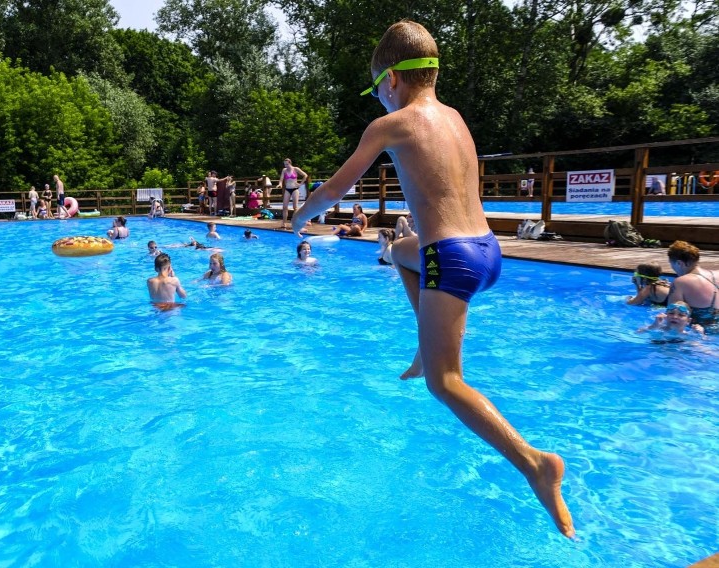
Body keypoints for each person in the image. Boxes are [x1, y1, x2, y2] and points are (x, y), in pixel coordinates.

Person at [290, 20, 574, 537]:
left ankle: (536, 464)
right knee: (399, 251)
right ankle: (425, 346)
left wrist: (298, 217)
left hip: (451, 257)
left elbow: (337, 187)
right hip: (487, 251)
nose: (378, 98)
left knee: (446, 384)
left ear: (392, 80)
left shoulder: (391, 124)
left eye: (376, 88)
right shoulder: (456, 119)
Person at [666, 240, 719, 332]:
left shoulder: (680, 282)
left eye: (672, 265)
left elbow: (672, 320)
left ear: (679, 263)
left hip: (701, 335)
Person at [637, 301, 704, 340]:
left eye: (681, 315)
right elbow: (637, 333)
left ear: (688, 321)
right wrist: (653, 326)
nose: (675, 317)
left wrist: (701, 335)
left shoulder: (688, 335)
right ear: (665, 316)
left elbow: (704, 350)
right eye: (671, 313)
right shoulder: (658, 329)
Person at [277, 158, 308, 229]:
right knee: (284, 207)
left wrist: (300, 184)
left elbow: (305, 175)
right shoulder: (284, 170)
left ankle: (294, 222)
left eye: (287, 164)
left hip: (295, 189)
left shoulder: (295, 169)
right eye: (285, 164)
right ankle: (284, 223)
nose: (286, 165)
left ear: (290, 163)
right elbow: (281, 179)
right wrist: (280, 184)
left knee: (295, 207)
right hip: (287, 189)